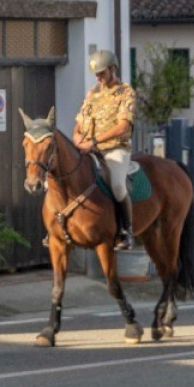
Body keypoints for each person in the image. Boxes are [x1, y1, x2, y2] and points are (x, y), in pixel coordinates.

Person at [73, 50, 137, 250]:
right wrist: (76, 139)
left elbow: (122, 126)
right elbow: (79, 123)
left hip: (114, 149)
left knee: (118, 185)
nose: (98, 77)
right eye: (96, 74)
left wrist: (93, 141)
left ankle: (127, 231)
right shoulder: (92, 93)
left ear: (112, 69)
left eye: (102, 73)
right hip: (88, 149)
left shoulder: (126, 92)